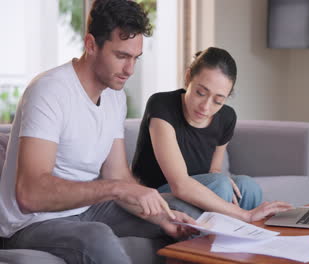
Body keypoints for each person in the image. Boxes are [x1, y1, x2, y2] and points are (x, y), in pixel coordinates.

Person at [0, 0, 197, 263]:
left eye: (135, 58)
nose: (130, 70)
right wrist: (115, 189)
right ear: (91, 44)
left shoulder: (115, 97)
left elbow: (117, 174)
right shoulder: (49, 91)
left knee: (183, 214)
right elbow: (30, 194)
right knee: (97, 236)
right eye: (121, 56)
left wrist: (162, 218)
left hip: (87, 209)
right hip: (30, 223)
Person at [132, 47, 293, 222]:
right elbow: (180, 185)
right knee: (220, 185)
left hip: (196, 188)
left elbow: (214, 170)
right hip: (155, 196)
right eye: (201, 93)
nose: (206, 107)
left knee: (247, 186)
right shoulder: (162, 105)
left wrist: (220, 177)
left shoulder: (227, 117)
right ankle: (215, 243)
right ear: (188, 78)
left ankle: (251, 240)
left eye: (218, 101)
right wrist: (245, 214)